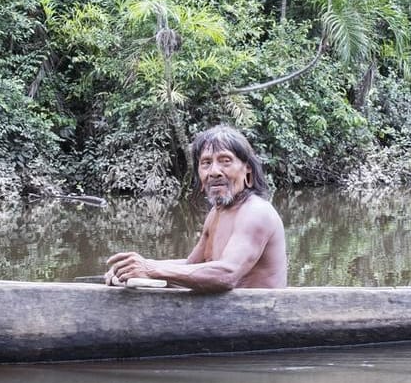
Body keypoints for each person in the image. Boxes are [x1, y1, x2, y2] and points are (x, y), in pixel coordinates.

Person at [105, 124, 288, 290]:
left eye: (225, 161)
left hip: (254, 316)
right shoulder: (216, 213)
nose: (214, 172)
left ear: (247, 169)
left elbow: (226, 274)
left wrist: (151, 269)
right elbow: (191, 266)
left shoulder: (256, 212)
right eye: (206, 163)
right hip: (223, 315)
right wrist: (133, 267)